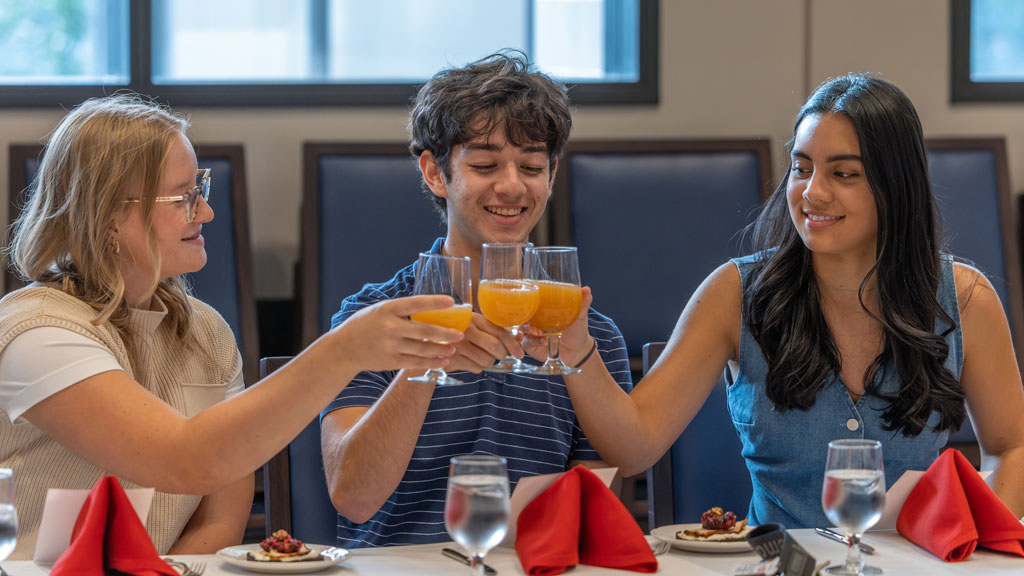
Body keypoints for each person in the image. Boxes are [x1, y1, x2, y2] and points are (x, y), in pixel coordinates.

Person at [0, 94, 463, 560]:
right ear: (108, 217)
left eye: (200, 189)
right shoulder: (38, 331)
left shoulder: (206, 332)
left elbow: (221, 517)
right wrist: (344, 350)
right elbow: (186, 461)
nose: (205, 213)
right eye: (183, 197)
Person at [556, 74, 1024, 528]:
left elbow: (1011, 447)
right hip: (780, 564)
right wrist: (575, 348)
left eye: (843, 173)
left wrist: (983, 547)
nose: (812, 192)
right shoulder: (734, 292)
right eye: (802, 168)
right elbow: (634, 446)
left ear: (896, 186)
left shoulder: (965, 298)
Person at [320, 51, 633, 548]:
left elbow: (588, 509)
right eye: (485, 164)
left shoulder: (585, 336)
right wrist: (423, 361)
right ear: (435, 173)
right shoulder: (372, 318)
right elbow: (354, 498)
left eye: (531, 166)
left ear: (551, 176)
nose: (511, 186)